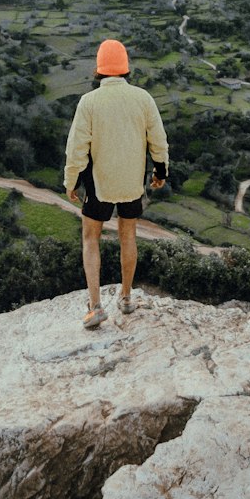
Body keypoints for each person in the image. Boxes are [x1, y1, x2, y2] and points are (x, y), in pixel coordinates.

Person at [65, 38, 169, 329]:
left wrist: (70, 181)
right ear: (125, 69)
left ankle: (95, 306)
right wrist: (160, 173)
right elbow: (158, 141)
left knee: (90, 238)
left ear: (99, 70)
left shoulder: (89, 102)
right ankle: (125, 298)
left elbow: (76, 148)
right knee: (128, 236)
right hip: (132, 182)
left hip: (99, 183)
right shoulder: (143, 98)